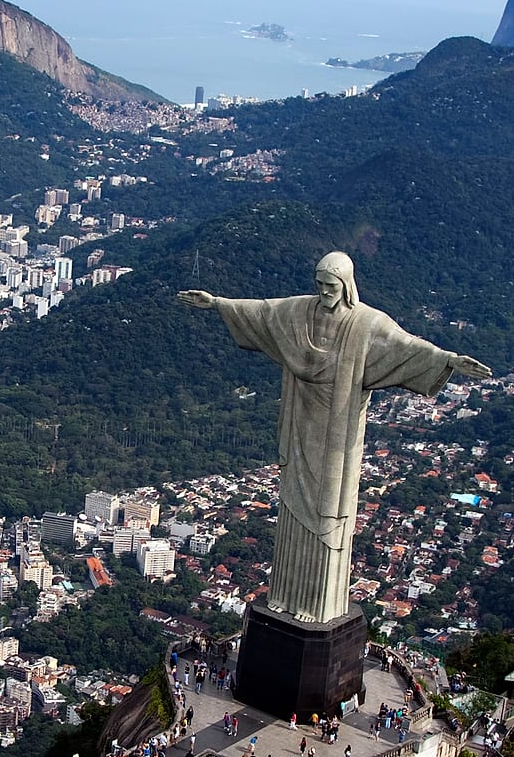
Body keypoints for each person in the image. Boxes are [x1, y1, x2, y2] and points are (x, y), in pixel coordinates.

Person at [180, 256, 489, 622]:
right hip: (300, 425)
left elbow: (406, 346)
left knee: (327, 511)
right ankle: (285, 596)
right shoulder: (299, 312)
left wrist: (450, 360)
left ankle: (317, 604)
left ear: (347, 285)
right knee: (293, 509)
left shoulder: (366, 323)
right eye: (321, 284)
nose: (325, 292)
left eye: (332, 285)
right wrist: (216, 302)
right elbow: (261, 312)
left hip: (336, 435)